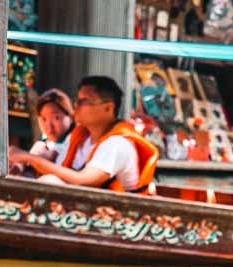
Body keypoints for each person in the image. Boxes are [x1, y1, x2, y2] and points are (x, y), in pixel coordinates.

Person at [8, 76, 158, 192]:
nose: (76, 106)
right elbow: (55, 154)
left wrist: (29, 158)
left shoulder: (118, 144)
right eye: (77, 100)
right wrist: (29, 162)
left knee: (50, 182)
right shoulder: (80, 136)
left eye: (84, 101)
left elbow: (81, 180)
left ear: (108, 108)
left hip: (113, 219)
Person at [27, 89, 75, 163]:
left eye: (56, 118)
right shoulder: (41, 145)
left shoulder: (75, 142)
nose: (49, 125)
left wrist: (26, 158)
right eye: (44, 119)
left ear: (71, 117)